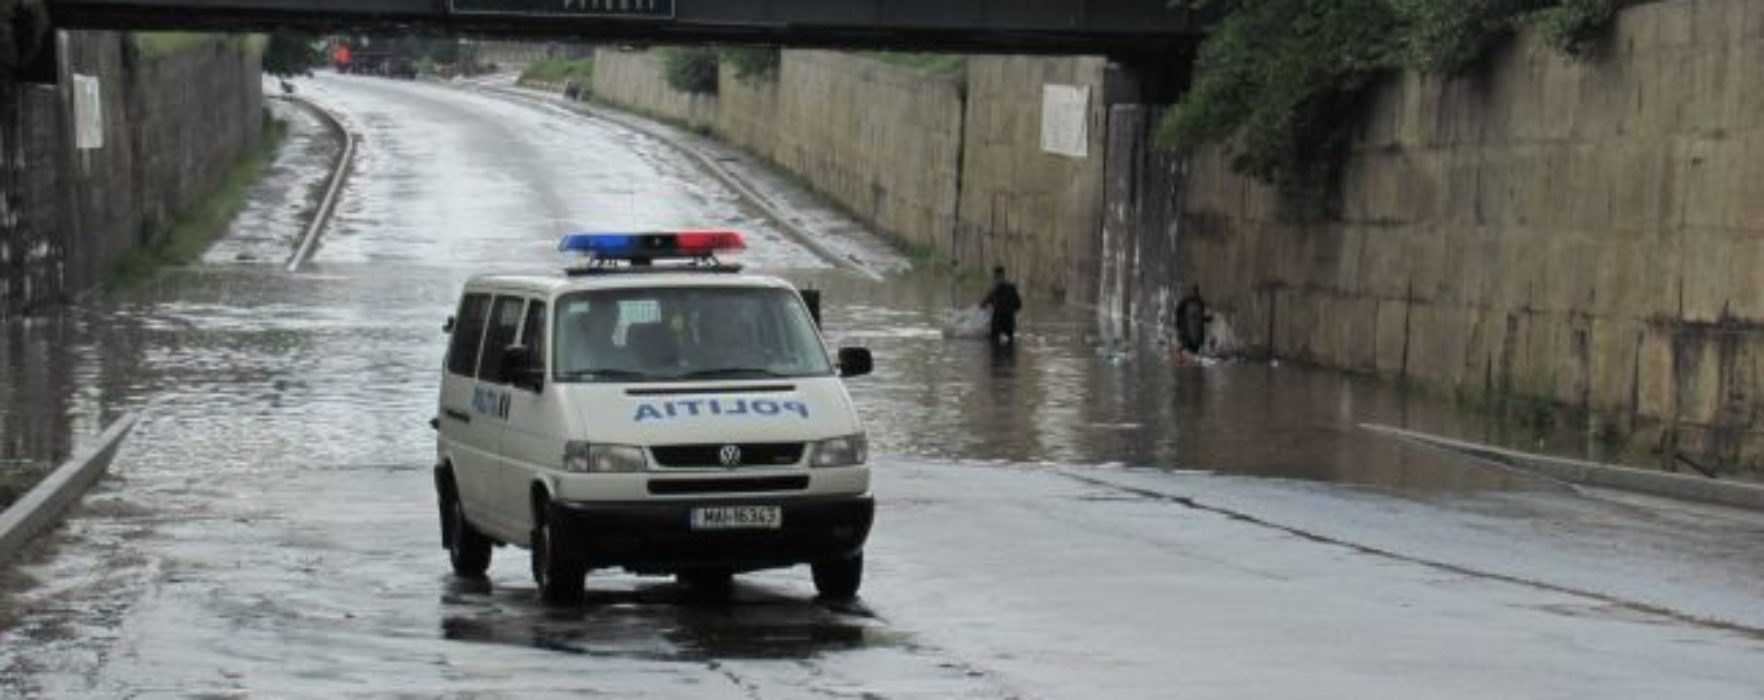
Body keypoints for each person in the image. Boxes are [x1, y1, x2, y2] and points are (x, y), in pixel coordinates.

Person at [980, 265, 1022, 346]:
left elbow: (983, 304)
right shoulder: (1012, 287)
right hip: (1009, 320)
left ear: (995, 275)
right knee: (1011, 344)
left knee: (994, 344)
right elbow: (1019, 305)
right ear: (1004, 274)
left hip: (997, 320)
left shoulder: (995, 288)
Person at [1174, 284, 1209, 354]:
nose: (1195, 293)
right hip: (1188, 327)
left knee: (1193, 341)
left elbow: (1200, 317)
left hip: (1194, 329)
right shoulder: (1190, 302)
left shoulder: (1198, 302)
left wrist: (1206, 319)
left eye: (1196, 291)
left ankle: (1190, 351)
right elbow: (1178, 313)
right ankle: (1188, 351)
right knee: (1191, 340)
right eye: (1194, 291)